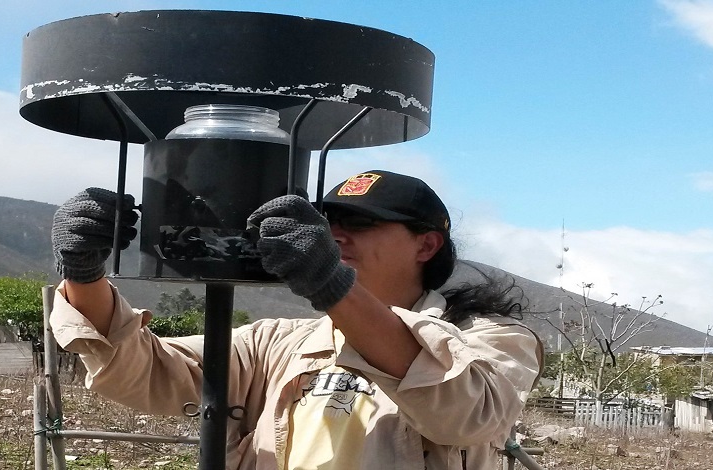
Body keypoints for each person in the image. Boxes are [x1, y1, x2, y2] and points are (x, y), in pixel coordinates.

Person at [49, 169, 543, 470]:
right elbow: (147, 372)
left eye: (361, 224)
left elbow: (464, 414)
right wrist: (84, 273)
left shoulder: (492, 340)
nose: (336, 235)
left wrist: (332, 285)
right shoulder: (280, 343)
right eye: (328, 224)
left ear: (426, 244)